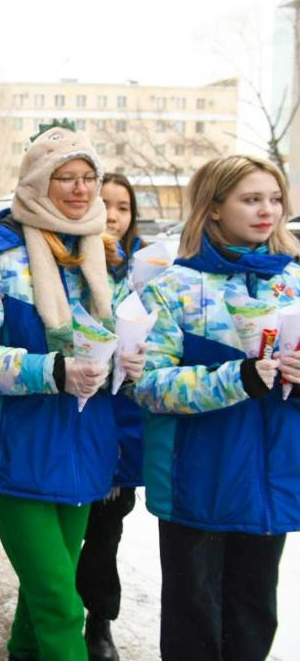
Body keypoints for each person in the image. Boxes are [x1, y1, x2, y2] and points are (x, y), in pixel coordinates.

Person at [0, 122, 145, 661]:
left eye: (88, 177)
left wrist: (131, 358)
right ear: (37, 181)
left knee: (44, 590)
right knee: (60, 603)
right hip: (17, 450)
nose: (81, 189)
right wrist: (52, 371)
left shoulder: (105, 254)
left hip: (87, 446)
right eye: (65, 177)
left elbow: (123, 336)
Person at [133, 155, 300, 661]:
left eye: (275, 199)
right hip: (197, 483)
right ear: (213, 208)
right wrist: (238, 378)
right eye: (251, 199)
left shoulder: (294, 283)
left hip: (271, 482)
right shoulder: (172, 288)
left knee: (254, 618)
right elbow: (149, 385)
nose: (267, 210)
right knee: (194, 625)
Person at [76, 172, 142, 661]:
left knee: (105, 534)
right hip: (76, 415)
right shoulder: (73, 263)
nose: (114, 216)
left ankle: (99, 622)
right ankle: (45, 618)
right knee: (60, 535)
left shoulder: (145, 274)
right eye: (107, 204)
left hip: (123, 428)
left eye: (124, 207)